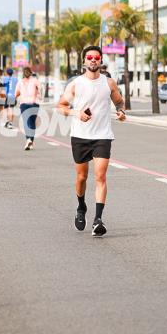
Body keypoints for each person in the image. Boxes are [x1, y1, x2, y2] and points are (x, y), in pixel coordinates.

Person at [57, 45, 126, 237]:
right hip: (80, 136)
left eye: (96, 57)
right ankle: (81, 207)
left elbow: (119, 102)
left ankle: (98, 220)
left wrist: (121, 111)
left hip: (102, 136)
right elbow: (61, 106)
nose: (93, 60)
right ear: (84, 61)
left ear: (101, 60)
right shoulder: (76, 84)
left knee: (100, 176)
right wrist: (76, 113)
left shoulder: (109, 83)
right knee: (81, 177)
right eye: (90, 57)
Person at [15, 66, 40, 150]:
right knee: (32, 122)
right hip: (34, 103)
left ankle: (28, 139)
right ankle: (31, 141)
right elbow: (40, 91)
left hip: (24, 104)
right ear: (31, 73)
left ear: (23, 73)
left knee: (26, 122)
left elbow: (16, 93)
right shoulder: (35, 81)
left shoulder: (20, 82)